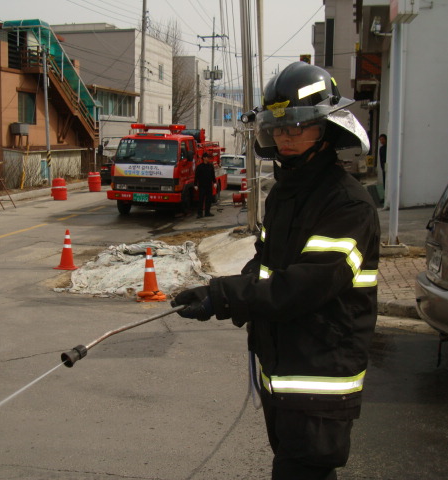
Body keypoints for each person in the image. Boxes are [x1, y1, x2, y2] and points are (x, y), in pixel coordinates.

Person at [172, 61, 380, 480]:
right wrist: (218, 290)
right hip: (283, 374)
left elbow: (304, 286)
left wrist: (224, 296)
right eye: (279, 128)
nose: (286, 137)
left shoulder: (346, 203)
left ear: (325, 128)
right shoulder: (285, 195)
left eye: (298, 127)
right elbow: (264, 266)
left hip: (320, 378)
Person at [195, 152, 216, 218]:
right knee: (201, 199)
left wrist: (214, 182)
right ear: (203, 158)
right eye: (206, 157)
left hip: (209, 185)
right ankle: (200, 213)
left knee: (208, 199)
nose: (208, 158)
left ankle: (207, 212)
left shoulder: (210, 166)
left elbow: (213, 175)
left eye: (208, 157)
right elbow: (196, 176)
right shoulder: (199, 167)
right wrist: (195, 184)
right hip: (202, 186)